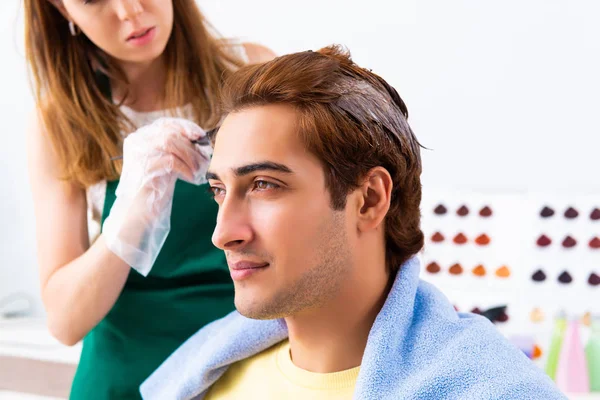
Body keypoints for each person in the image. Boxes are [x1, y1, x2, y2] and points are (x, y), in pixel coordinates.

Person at [141, 46, 566, 399]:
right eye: (218, 190)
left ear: (370, 200)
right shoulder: (200, 378)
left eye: (264, 185)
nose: (223, 233)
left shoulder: (492, 388)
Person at [24, 0, 274, 398]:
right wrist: (131, 212)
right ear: (63, 10)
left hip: (243, 359)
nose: (128, 11)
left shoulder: (249, 73)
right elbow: (65, 322)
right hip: (124, 379)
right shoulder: (61, 122)